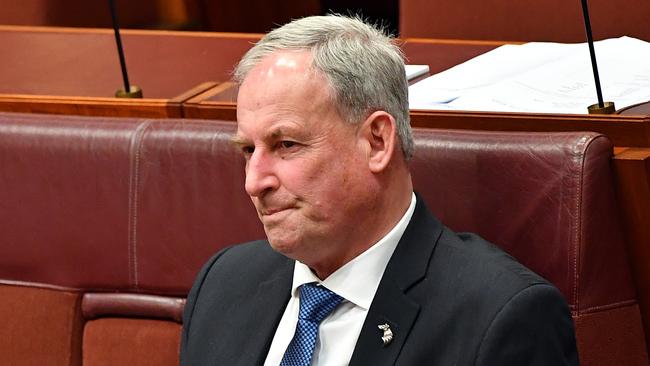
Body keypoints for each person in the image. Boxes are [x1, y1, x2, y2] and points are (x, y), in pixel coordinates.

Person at [180, 15, 579, 366]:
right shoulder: (222, 285)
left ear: (376, 142)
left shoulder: (500, 317)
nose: (254, 182)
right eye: (249, 150)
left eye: (286, 145)